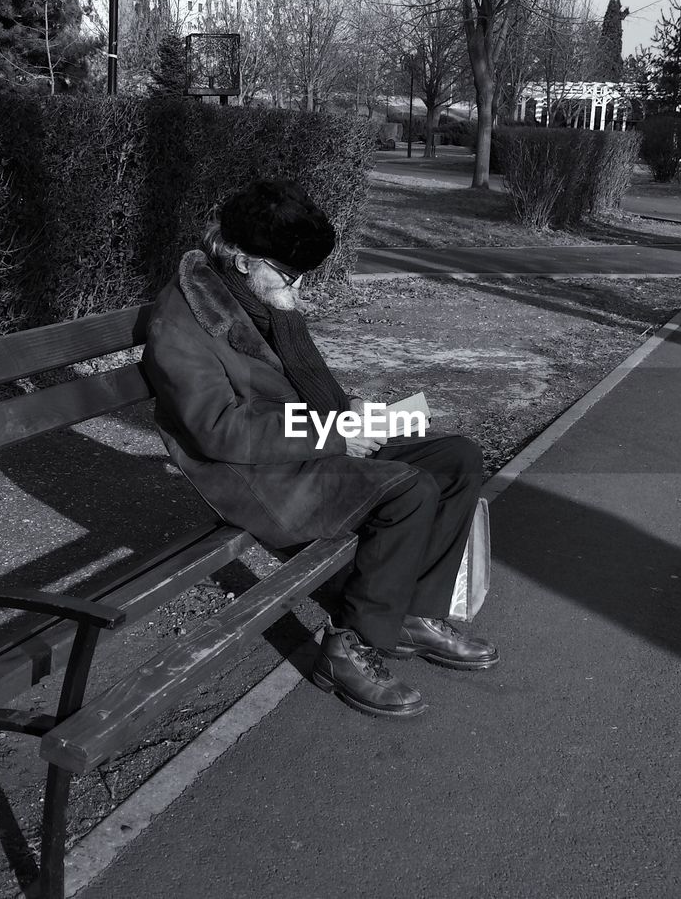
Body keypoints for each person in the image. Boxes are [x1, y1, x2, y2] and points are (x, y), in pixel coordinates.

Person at [142, 178, 498, 719]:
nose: (299, 288)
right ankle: (349, 647)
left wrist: (347, 406)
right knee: (409, 490)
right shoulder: (181, 323)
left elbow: (294, 386)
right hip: (254, 474)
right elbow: (219, 427)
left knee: (457, 458)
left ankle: (414, 615)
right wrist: (330, 432)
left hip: (305, 442)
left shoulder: (258, 298)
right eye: (290, 275)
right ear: (241, 259)